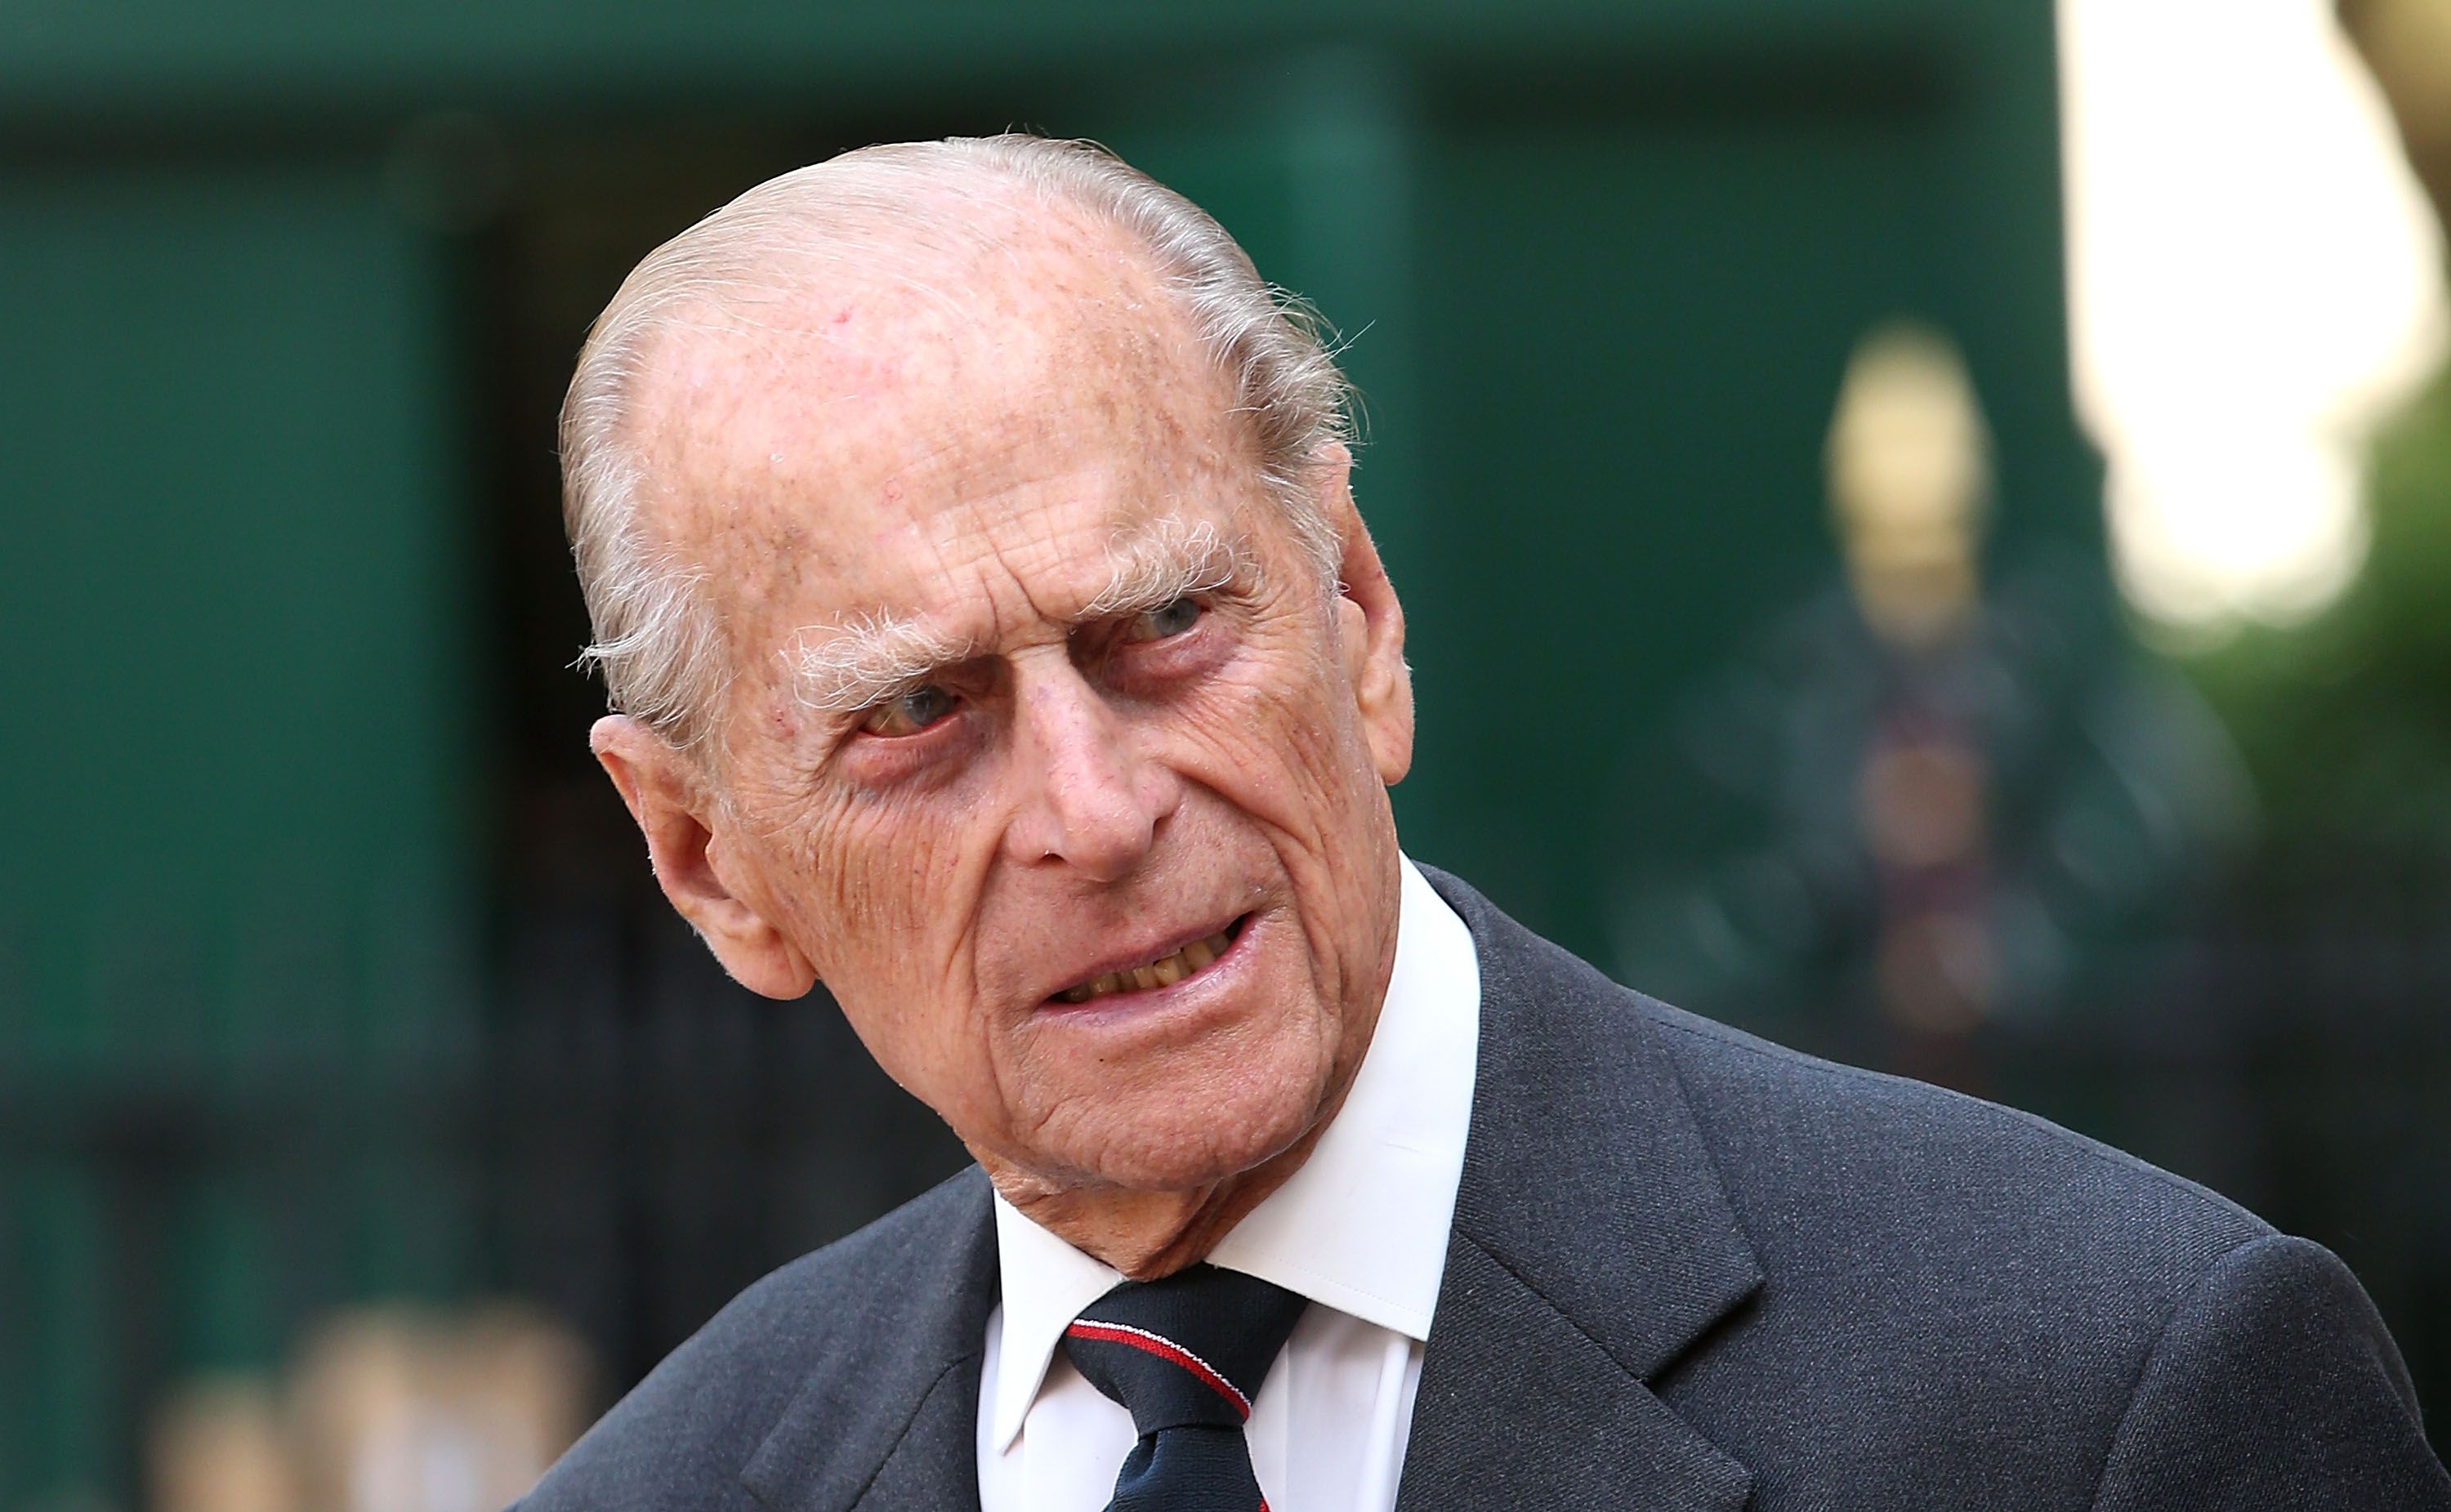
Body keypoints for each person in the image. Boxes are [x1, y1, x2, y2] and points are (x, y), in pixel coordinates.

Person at [516, 135, 2449, 1510]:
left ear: (1355, 612)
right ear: (707, 859)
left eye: (1171, 624)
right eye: (920, 712)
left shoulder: (2111, 1390)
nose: (1095, 811)